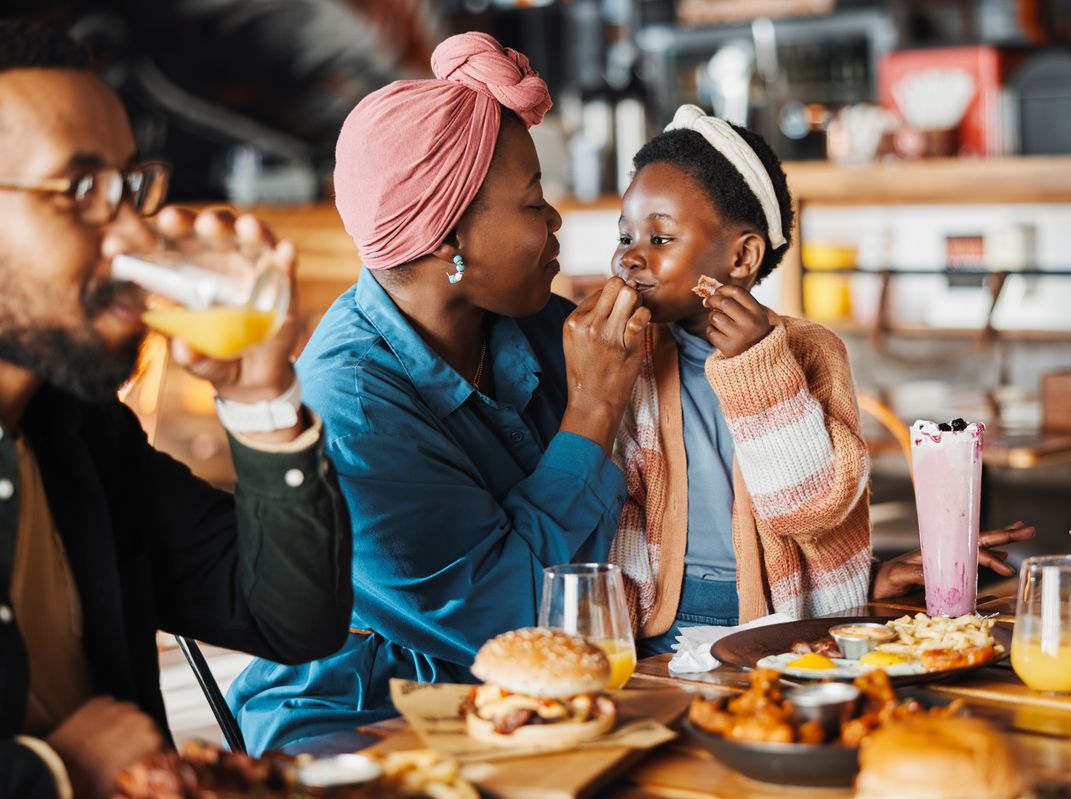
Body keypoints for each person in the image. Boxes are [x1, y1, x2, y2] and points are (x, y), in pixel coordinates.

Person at [227, 32, 649, 753]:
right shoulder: (350, 405)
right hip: (359, 713)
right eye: (533, 201)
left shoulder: (538, 324)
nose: (555, 222)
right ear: (448, 241)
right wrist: (594, 411)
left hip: (526, 695)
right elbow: (511, 613)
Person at [0, 21, 352, 799]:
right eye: (81, 190)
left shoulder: (77, 429)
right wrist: (50, 771)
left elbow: (293, 621)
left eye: (129, 186)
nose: (132, 230)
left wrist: (259, 394)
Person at [607, 106, 1034, 654]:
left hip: (780, 630)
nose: (632, 258)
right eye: (625, 236)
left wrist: (757, 367)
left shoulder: (810, 352)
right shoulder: (625, 354)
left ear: (742, 257)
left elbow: (811, 508)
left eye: (660, 239)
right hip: (651, 632)